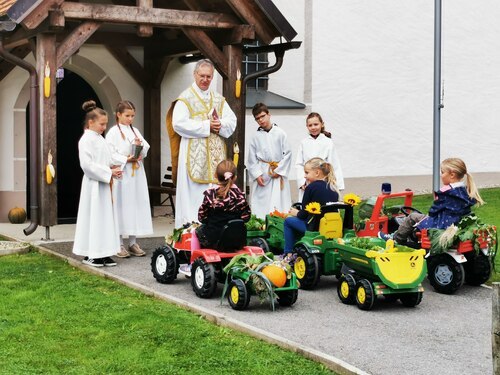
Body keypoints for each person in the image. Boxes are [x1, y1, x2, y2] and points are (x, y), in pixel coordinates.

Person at [170, 59, 237, 228]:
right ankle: (190, 233)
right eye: (202, 76)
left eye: (209, 76)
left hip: (215, 159)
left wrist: (220, 124)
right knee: (194, 196)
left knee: (215, 194)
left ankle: (213, 232)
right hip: (194, 158)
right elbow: (178, 124)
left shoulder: (218, 99)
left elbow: (232, 120)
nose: (205, 79)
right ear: (195, 75)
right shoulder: (185, 99)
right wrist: (207, 126)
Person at [378, 157, 484, 243]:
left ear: (452, 175)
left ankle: (396, 238)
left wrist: (435, 204)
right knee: (419, 218)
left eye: (442, 172)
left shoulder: (446, 191)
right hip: (455, 222)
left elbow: (433, 211)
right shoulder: (464, 190)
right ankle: (411, 238)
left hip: (441, 224)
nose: (441, 175)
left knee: (412, 216)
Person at [72, 100, 123, 267]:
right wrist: (109, 172)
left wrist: (116, 167)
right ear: (90, 122)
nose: (104, 127)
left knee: (106, 219)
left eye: (105, 124)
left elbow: (108, 158)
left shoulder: (100, 139)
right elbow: (87, 165)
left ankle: (105, 252)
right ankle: (91, 254)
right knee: (94, 218)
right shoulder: (86, 140)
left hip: (105, 186)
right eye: (101, 124)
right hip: (94, 186)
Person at [178, 160, 251, 276]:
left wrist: (209, 220)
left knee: (195, 232)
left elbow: (202, 217)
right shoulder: (240, 195)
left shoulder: (210, 194)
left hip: (214, 239)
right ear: (235, 177)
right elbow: (246, 217)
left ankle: (192, 263)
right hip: (236, 240)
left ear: (215, 176)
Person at [106, 100, 153, 257]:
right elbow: (110, 153)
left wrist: (140, 149)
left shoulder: (135, 131)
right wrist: (126, 158)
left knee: (135, 205)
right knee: (121, 205)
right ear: (118, 115)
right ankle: (118, 243)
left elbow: (146, 147)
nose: (130, 119)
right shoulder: (113, 132)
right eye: (127, 115)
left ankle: (133, 242)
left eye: (133, 116)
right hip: (123, 173)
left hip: (136, 174)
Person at [283, 158, 339, 256]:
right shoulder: (333, 187)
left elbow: (303, 215)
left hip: (314, 228)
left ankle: (288, 253)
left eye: (307, 173)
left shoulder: (311, 188)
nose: (305, 176)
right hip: (331, 227)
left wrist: (295, 212)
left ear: (317, 172)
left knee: (288, 222)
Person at [247, 102, 292, 219]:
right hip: (263, 173)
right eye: (257, 119)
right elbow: (252, 159)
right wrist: (257, 175)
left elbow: (287, 154)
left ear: (268, 114)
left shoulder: (280, 133)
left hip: (278, 171)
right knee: (262, 203)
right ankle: (261, 223)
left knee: (279, 201)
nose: (261, 120)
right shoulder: (255, 137)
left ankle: (280, 224)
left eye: (263, 116)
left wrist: (279, 170)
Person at [295, 112, 344, 201]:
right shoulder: (304, 143)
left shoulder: (328, 142)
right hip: (308, 182)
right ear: (307, 126)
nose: (313, 127)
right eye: (310, 125)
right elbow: (299, 164)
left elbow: (334, 164)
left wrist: (337, 185)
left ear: (322, 124)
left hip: (324, 182)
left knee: (323, 205)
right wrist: (301, 182)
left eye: (316, 124)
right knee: (309, 206)